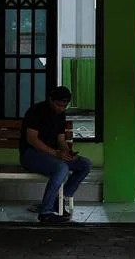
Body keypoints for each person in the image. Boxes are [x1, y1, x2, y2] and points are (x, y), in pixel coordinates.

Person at [19, 86, 92, 224]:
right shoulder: (36, 111)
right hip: (31, 155)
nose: (61, 108)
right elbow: (32, 139)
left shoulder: (60, 115)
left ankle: (59, 200)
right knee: (61, 168)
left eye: (65, 106)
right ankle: (45, 212)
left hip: (52, 155)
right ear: (50, 100)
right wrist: (56, 153)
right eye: (58, 105)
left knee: (85, 164)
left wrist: (67, 152)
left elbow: (61, 139)